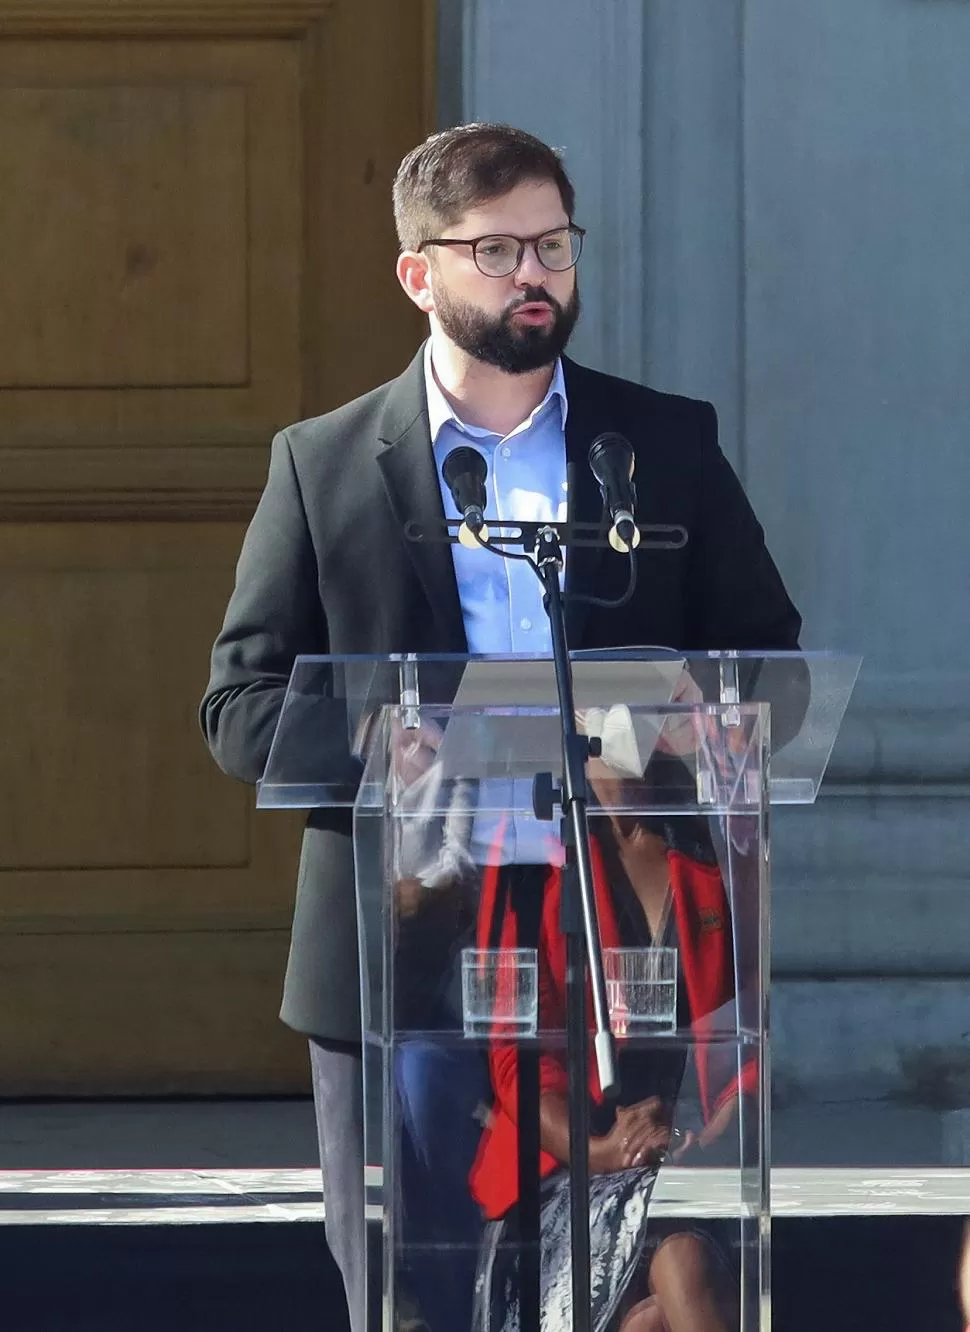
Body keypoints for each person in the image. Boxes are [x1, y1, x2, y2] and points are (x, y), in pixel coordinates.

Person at [200, 122, 801, 1332]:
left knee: (618, 1289)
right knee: (419, 1296)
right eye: (498, 249)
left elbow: (773, 673)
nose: (536, 274)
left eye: (553, 244)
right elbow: (241, 706)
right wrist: (379, 739)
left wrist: (692, 714)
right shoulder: (324, 466)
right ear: (420, 273)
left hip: (617, 948)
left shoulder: (662, 447)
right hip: (411, 939)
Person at [470, 752, 753, 1332]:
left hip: (684, 1161)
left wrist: (722, 1124)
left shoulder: (707, 829)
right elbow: (517, 1060)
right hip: (566, 1171)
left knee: (675, 1281)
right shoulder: (531, 838)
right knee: (683, 1272)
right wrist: (601, 1150)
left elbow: (750, 1019)